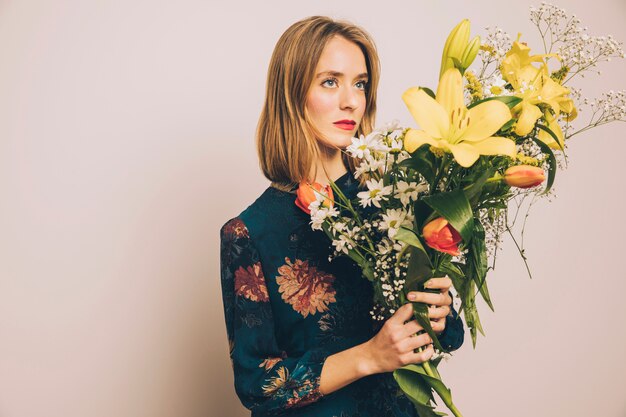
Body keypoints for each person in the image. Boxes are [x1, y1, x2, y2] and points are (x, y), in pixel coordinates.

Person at [219, 16, 464, 417]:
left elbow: (448, 338)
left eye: (361, 83)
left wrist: (438, 311)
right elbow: (256, 385)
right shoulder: (250, 232)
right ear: (293, 93)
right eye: (330, 82)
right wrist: (370, 356)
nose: (351, 100)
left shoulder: (393, 202)